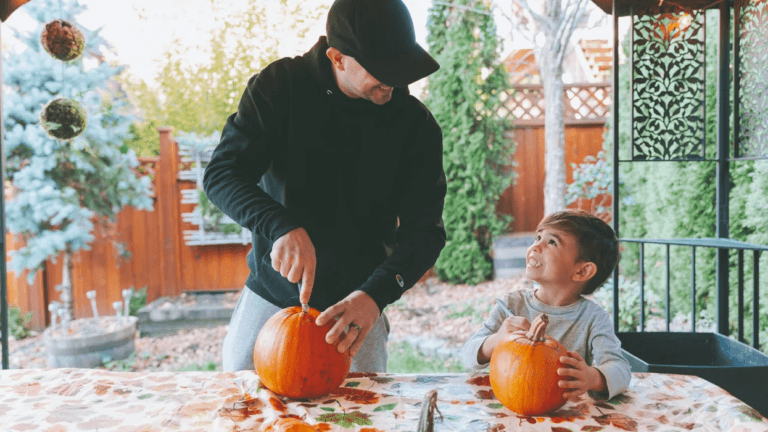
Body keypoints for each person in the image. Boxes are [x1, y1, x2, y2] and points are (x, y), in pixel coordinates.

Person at [203, 0, 446, 373]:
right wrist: (278, 224)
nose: (394, 84)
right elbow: (222, 174)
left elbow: (425, 233)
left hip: (358, 304)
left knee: (362, 419)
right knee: (241, 406)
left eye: (401, 69)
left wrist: (375, 296)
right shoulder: (278, 87)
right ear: (337, 57)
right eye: (382, 72)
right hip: (272, 293)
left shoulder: (415, 126)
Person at [461, 210, 631, 400]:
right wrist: (496, 339)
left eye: (551, 242)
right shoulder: (512, 305)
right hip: (511, 406)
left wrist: (592, 378)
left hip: (566, 417)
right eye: (538, 237)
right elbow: (468, 356)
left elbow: (621, 370)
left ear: (582, 271)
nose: (535, 246)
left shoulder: (592, 318)